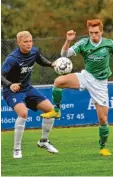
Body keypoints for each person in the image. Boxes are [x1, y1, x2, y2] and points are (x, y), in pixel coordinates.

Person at [41, 19, 113, 156]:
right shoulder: (84, 43)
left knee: (103, 120)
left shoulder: (109, 44)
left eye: (96, 32)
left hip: (101, 84)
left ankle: (103, 147)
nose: (94, 35)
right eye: (91, 33)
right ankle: (56, 110)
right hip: (86, 76)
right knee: (58, 81)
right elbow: (64, 55)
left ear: (102, 32)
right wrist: (68, 41)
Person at [1, 31, 59, 159]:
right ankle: (17, 149)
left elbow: (40, 60)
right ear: (18, 43)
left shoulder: (34, 51)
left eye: (30, 41)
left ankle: (43, 141)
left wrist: (51, 64)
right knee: (23, 113)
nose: (29, 44)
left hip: (27, 88)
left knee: (51, 110)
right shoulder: (12, 58)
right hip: (12, 91)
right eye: (25, 42)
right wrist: (10, 84)